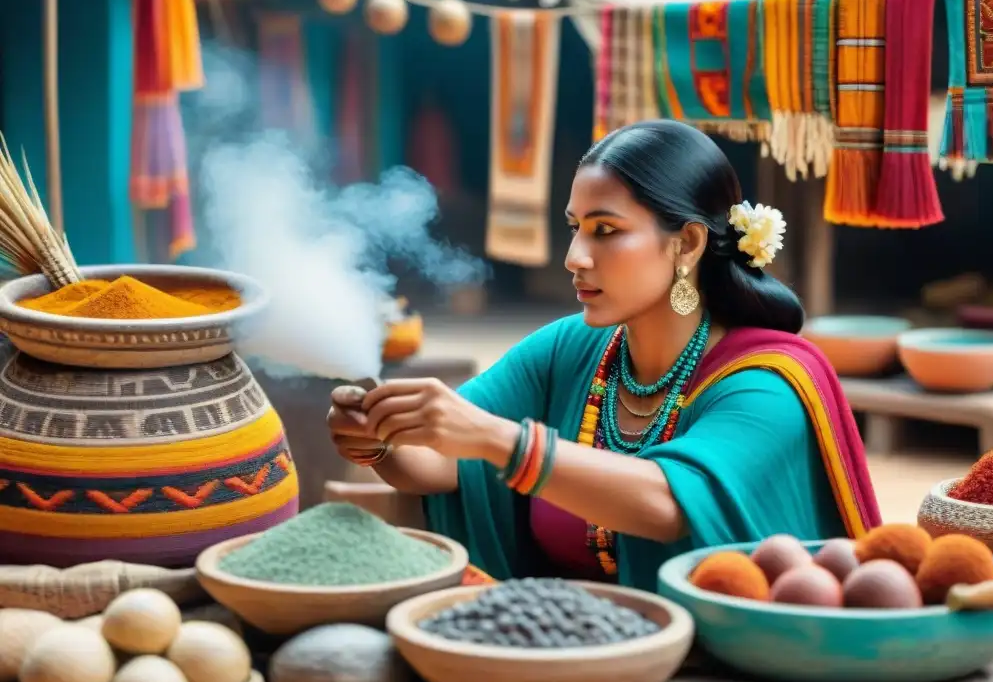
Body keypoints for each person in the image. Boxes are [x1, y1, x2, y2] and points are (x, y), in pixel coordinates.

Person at [327, 120, 881, 592]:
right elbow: (447, 459)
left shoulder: (770, 383)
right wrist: (383, 440)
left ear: (685, 244)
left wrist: (498, 439)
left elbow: (665, 506)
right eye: (575, 229)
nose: (574, 257)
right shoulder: (573, 347)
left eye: (605, 231)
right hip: (575, 651)